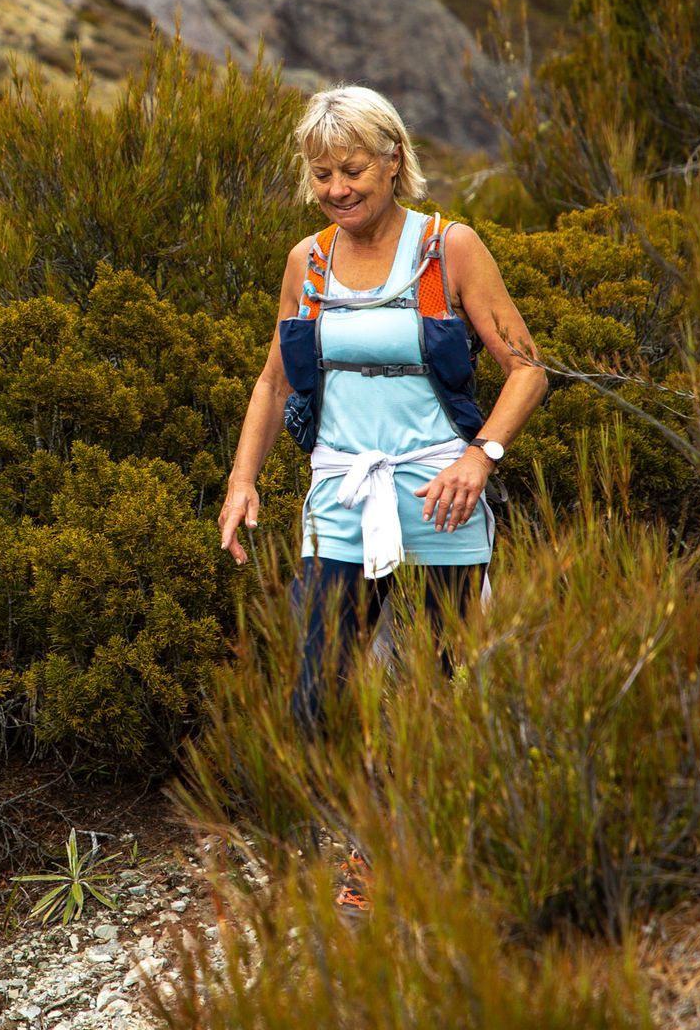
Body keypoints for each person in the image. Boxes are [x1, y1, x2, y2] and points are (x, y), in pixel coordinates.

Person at [218, 85, 549, 729]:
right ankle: (324, 825)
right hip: (340, 502)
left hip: (441, 506)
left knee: (450, 692)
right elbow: (272, 383)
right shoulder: (307, 264)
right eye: (321, 174)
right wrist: (241, 481)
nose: (336, 189)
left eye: (352, 170)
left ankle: (442, 822)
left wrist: (481, 458)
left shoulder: (447, 249)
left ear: (393, 160)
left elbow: (527, 371)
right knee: (314, 693)